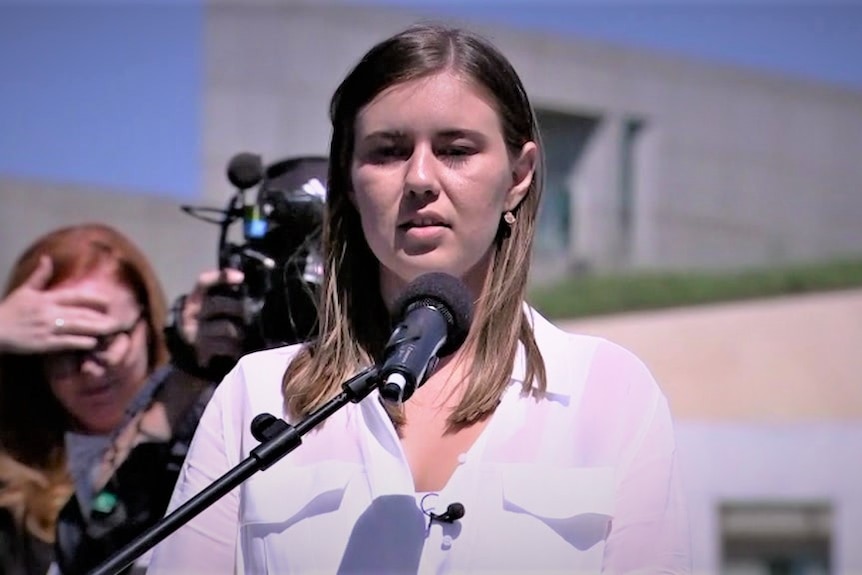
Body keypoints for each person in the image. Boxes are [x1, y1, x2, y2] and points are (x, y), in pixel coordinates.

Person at [148, 23, 690, 574]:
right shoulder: (255, 393)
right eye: (387, 151)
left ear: (519, 175)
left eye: (456, 150)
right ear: (349, 180)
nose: (420, 178)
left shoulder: (609, 392)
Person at [0, 223, 243, 575]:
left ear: (147, 325)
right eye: (62, 348)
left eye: (103, 340)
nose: (88, 369)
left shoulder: (209, 428)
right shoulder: (10, 473)